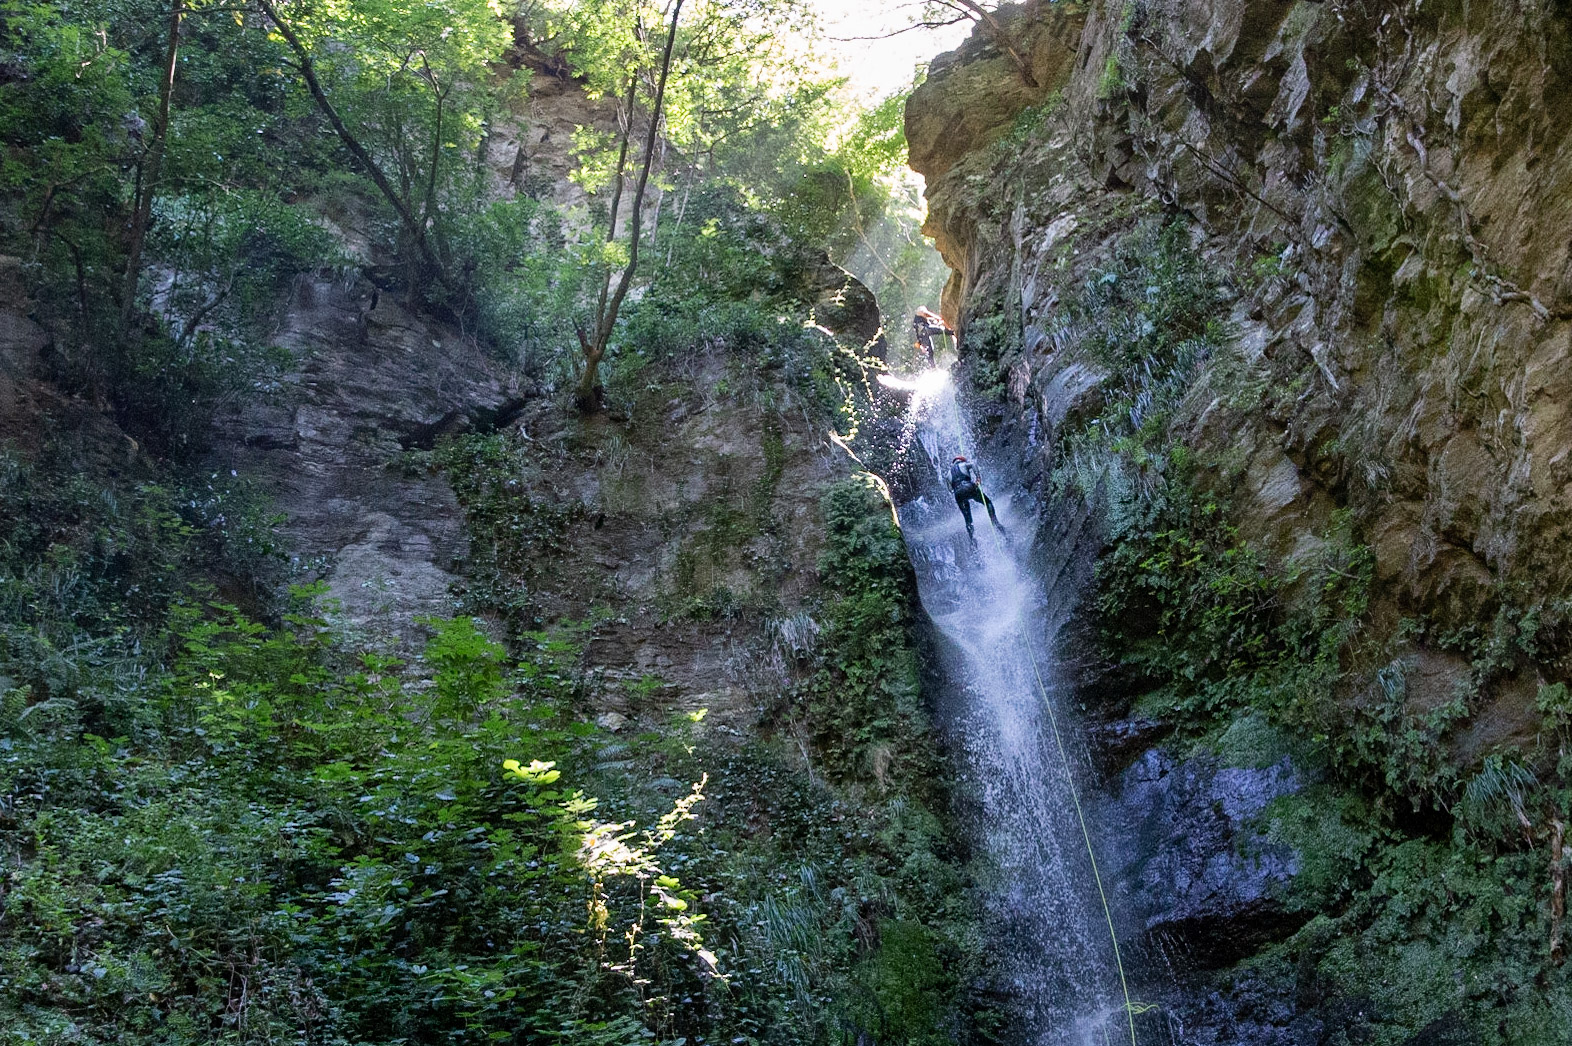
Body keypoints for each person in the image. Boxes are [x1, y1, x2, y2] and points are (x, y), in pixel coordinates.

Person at [949, 454, 1002, 542]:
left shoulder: (948, 474)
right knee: (987, 502)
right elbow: (973, 464)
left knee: (967, 517)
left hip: (958, 494)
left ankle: (972, 539)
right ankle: (994, 521)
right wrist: (978, 478)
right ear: (962, 460)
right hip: (968, 487)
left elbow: (950, 489)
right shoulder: (963, 464)